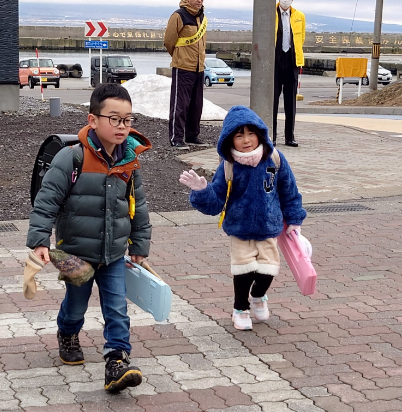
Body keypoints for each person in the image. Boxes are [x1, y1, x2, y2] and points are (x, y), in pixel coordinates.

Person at [26, 83, 152, 392]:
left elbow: (138, 206)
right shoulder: (71, 158)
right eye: (114, 119)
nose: (122, 126)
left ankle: (117, 361)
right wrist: (40, 241)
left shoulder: (129, 161)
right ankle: (68, 333)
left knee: (117, 309)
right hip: (74, 252)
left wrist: (139, 244)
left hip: (113, 253)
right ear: (93, 120)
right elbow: (46, 201)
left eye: (128, 119)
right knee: (76, 306)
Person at [179, 105, 307, 330]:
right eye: (239, 135)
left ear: (260, 134)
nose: (246, 140)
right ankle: (240, 309)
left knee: (268, 270)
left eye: (251, 133)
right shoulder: (228, 166)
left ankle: (258, 296)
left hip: (269, 227)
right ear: (230, 139)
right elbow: (216, 202)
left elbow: (289, 191)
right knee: (243, 271)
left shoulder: (275, 159)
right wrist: (202, 191)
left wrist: (294, 219)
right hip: (239, 228)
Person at [164, 0, 207, 149]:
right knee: (180, 104)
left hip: (199, 67)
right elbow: (169, 41)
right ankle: (176, 138)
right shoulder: (179, 15)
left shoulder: (201, 17)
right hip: (183, 67)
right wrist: (179, 56)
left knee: (196, 104)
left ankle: (192, 135)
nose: (200, 1)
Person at [273, 0, 306, 147]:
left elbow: (301, 38)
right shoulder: (271, 14)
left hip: (292, 61)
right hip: (275, 61)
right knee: (273, 101)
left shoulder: (299, 16)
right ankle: (271, 136)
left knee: (290, 101)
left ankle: (289, 137)